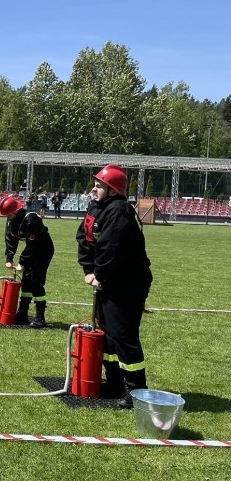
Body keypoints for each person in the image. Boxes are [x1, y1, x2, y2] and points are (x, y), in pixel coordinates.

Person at [76, 164, 152, 409]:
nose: (94, 189)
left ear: (113, 190)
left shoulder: (119, 211)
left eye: (100, 185)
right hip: (110, 279)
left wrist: (99, 273)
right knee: (107, 335)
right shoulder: (97, 207)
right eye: (96, 184)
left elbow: (111, 247)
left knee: (123, 335)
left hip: (128, 282)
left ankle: (137, 390)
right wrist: (88, 269)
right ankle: (116, 382)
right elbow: (85, 237)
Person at [0, 194, 55, 328]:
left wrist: (22, 263)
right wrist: (9, 258)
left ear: (16, 211)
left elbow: (32, 245)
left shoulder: (31, 219)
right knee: (26, 282)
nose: (7, 218)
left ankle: (40, 317)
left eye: (9, 215)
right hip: (31, 250)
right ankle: (22, 314)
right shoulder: (11, 221)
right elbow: (10, 239)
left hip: (43, 251)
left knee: (36, 282)